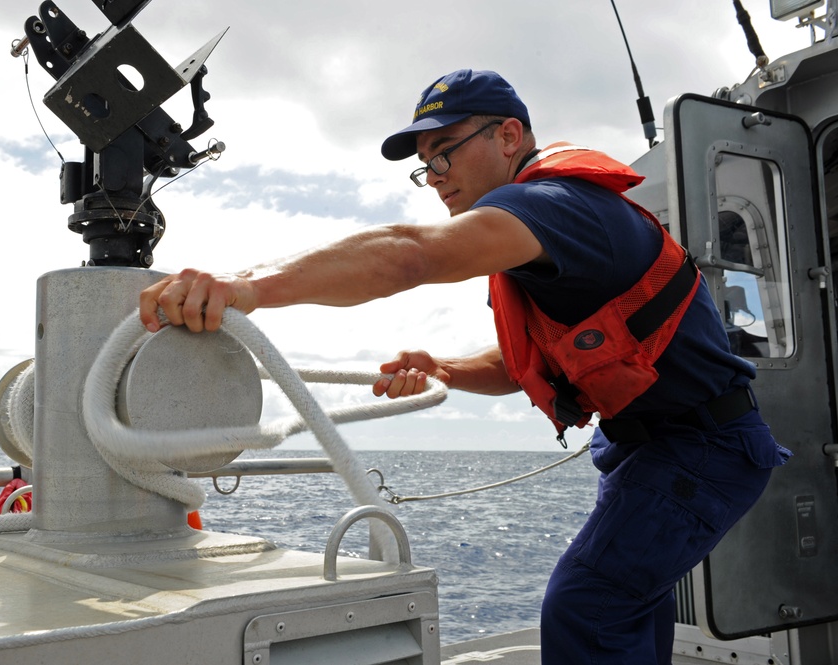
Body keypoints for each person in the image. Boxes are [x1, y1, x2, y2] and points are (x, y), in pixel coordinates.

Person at [139, 69, 790, 664]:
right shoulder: (544, 235)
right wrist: (444, 366)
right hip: (657, 453)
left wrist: (246, 285)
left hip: (698, 451)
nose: (438, 174)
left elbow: (407, 254)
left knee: (586, 605)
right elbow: (524, 364)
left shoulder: (561, 207)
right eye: (425, 166)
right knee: (627, 606)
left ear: (509, 136)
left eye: (446, 150)